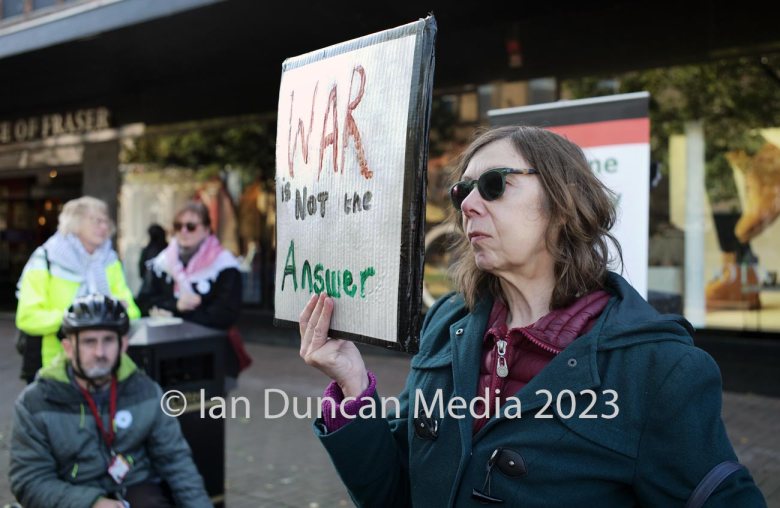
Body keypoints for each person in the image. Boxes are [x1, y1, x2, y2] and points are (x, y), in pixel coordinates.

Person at [298, 126, 767, 506]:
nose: (468, 205)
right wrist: (353, 386)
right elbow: (395, 493)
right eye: (463, 191)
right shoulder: (446, 325)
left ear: (564, 202)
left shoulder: (659, 369)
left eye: (494, 184)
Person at [9, 294, 211, 508]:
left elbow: (176, 462)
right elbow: (29, 481)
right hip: (71, 496)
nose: (100, 352)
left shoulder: (146, 391)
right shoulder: (35, 402)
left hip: (133, 487)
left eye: (108, 340)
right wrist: (91, 503)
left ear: (123, 345)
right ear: (68, 348)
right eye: (89, 342)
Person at [15, 196, 141, 383]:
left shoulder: (110, 260)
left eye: (106, 221)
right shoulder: (45, 258)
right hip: (54, 368)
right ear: (74, 223)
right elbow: (27, 318)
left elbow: (132, 312)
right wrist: (79, 316)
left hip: (104, 366)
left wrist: (111, 312)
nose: (104, 227)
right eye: (96, 221)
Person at [136, 201, 250, 380]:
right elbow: (143, 301)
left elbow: (225, 313)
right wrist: (176, 305)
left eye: (191, 226)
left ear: (206, 229)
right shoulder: (162, 262)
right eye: (178, 226)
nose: (183, 231)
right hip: (165, 358)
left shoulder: (224, 264)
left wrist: (176, 314)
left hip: (209, 358)